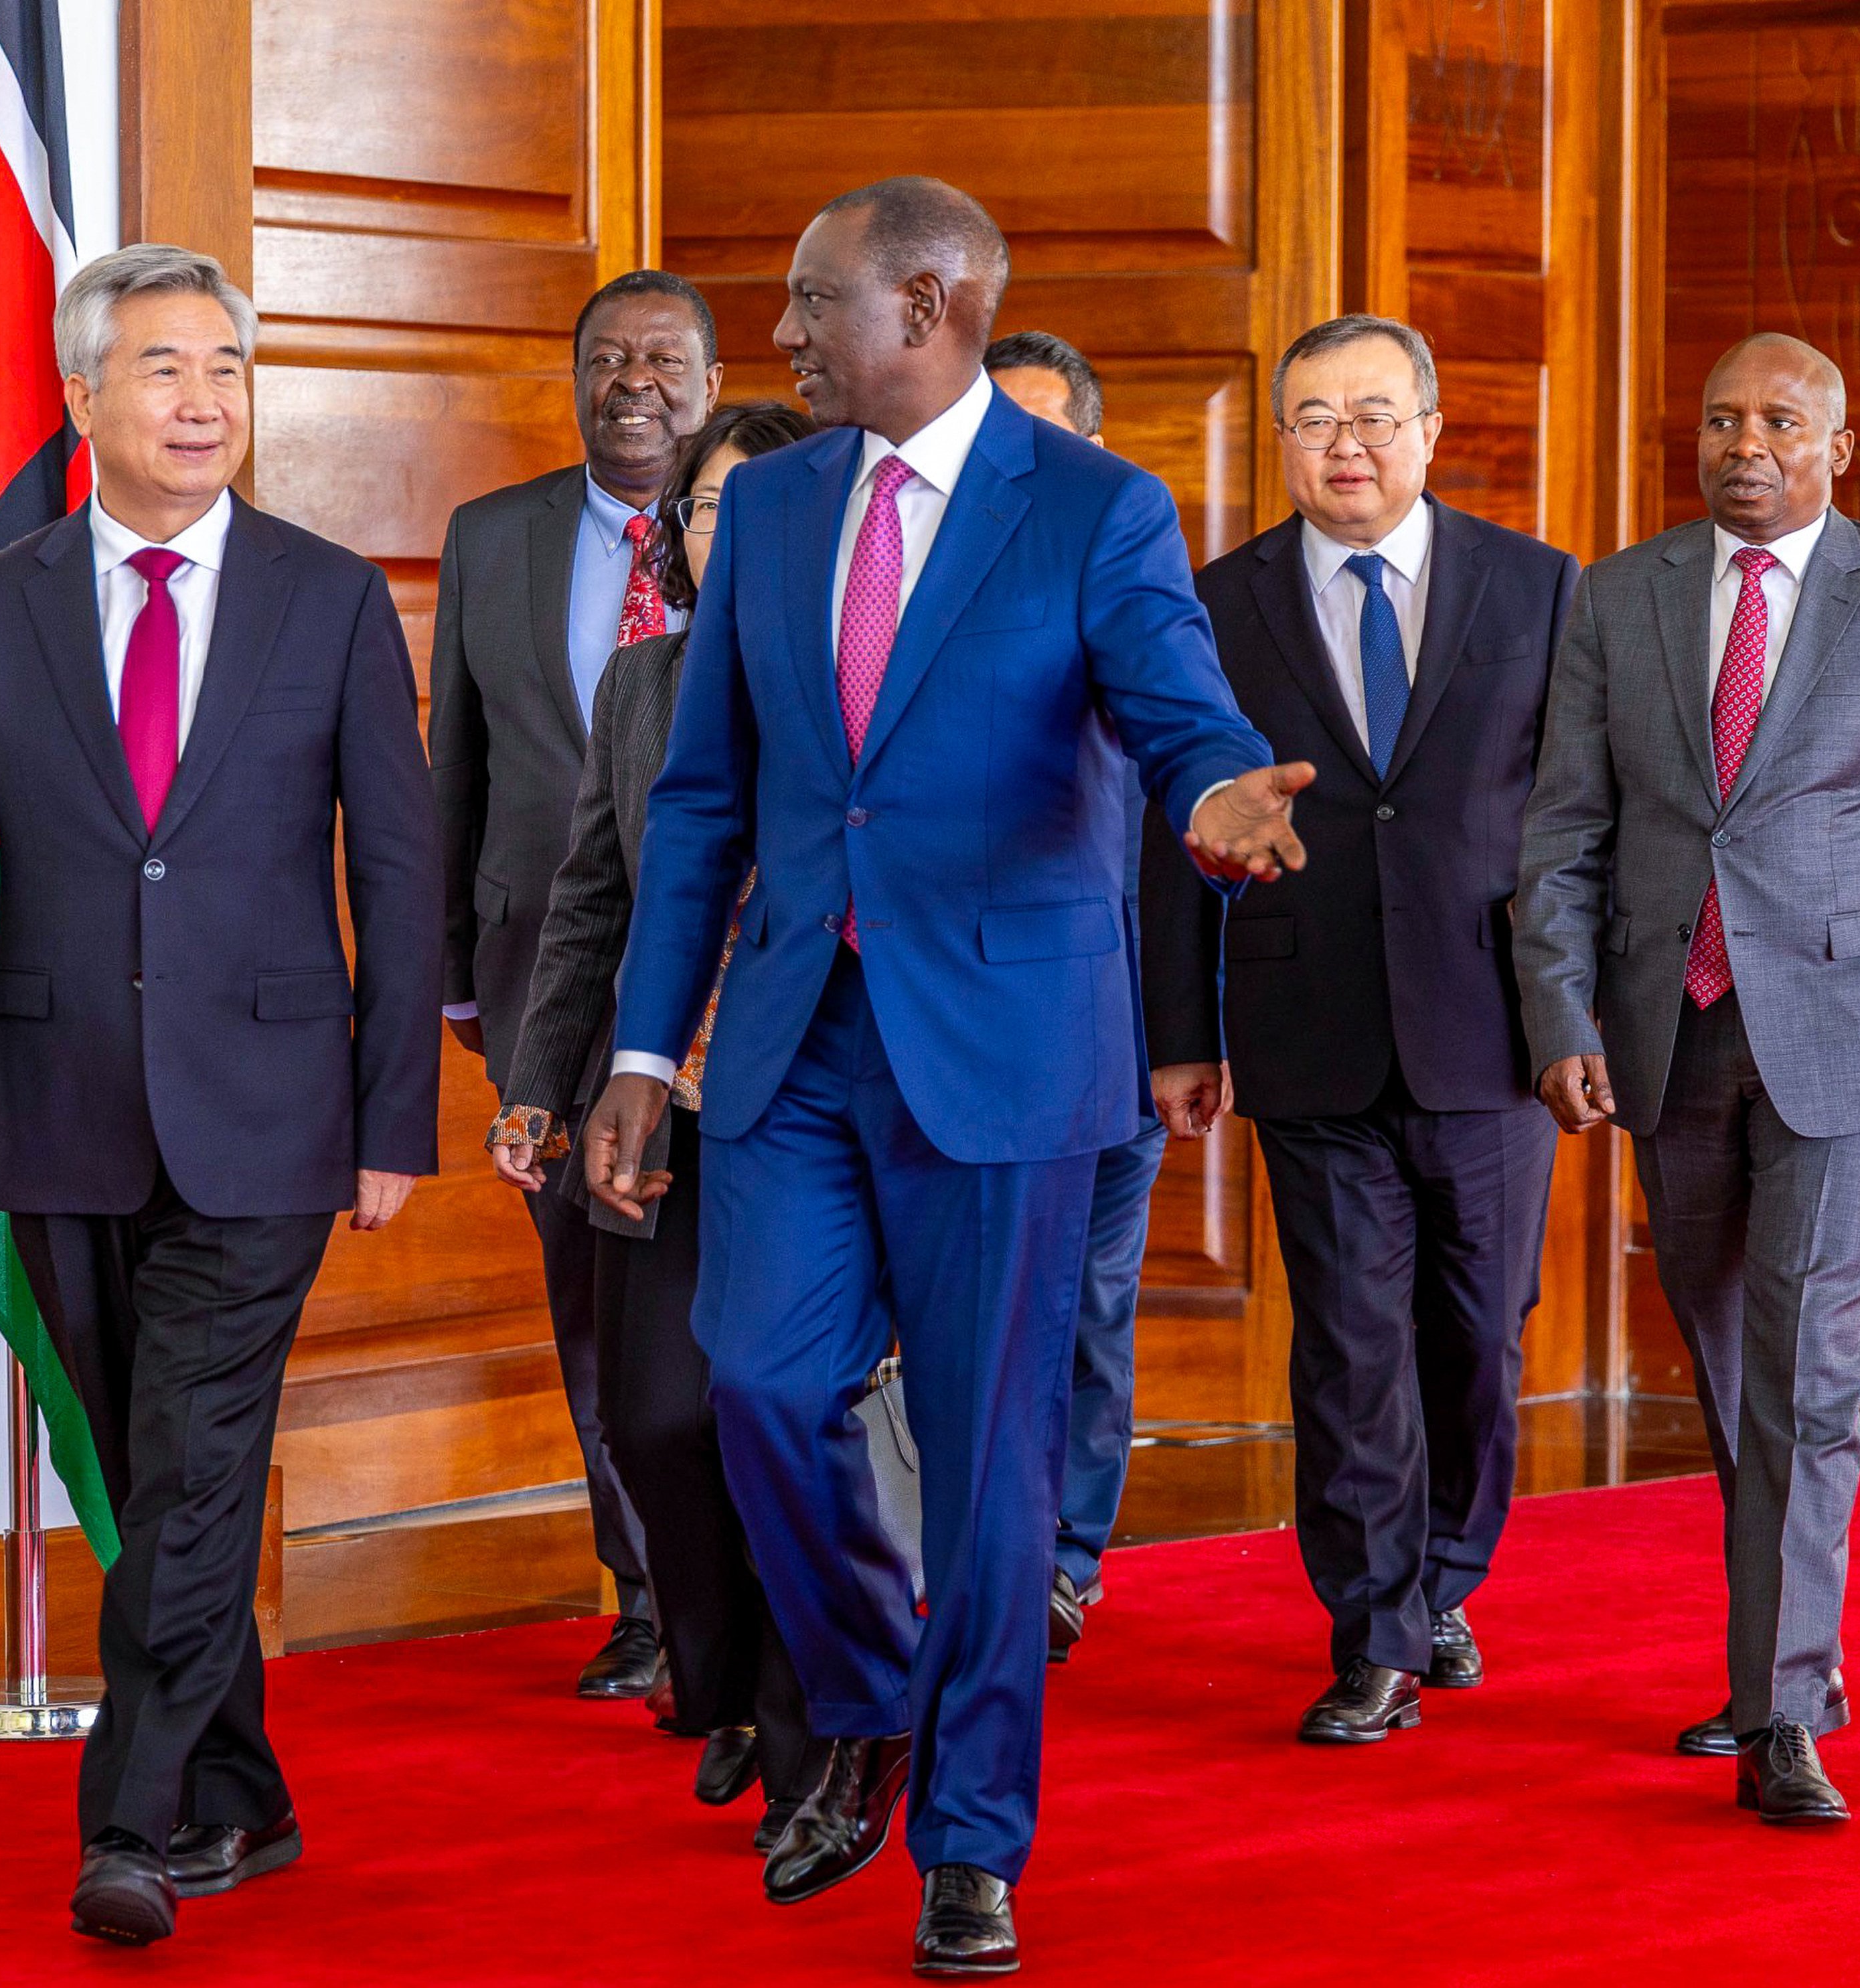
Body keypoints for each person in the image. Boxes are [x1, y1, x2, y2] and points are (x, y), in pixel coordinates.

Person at [585, 177, 1310, 1975]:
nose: (780, 337)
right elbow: (699, 805)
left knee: (990, 1466)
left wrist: (1219, 799)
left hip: (1001, 1051)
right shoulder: (770, 518)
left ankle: (973, 1839)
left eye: (811, 300)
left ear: (924, 300)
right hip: (790, 1045)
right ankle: (862, 1700)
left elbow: (1175, 705)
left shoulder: (1094, 509)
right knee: (753, 1382)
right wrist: (636, 1046)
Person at [0, 244, 440, 1942]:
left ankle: (129, 1821)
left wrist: (390, 1116)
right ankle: (247, 1799)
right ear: (82, 398)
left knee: (191, 1462)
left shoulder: (329, 595)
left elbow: (398, 870)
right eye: (167, 370)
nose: (205, 403)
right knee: (147, 1473)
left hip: (273, 1116)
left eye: (229, 371)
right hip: (50, 1100)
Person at [1512, 332, 1860, 1825]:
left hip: (1852, 1042)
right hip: (1665, 1039)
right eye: (1720, 419)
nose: (1745, 442)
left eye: (1779, 420)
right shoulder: (1619, 596)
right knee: (1733, 1363)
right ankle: (1783, 1657)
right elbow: (1559, 835)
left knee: (1807, 1366)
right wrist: (1560, 1023)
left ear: (1835, 446)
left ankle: (1779, 1704)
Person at [1141, 316, 1578, 1745]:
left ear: (1433, 429)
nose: (1347, 444)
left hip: (1490, 1025)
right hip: (1303, 1017)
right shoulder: (1210, 605)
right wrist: (1177, 1031)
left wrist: (1579, 1014)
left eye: (1376, 415)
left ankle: (1446, 1574)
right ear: (1278, 439)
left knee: (1475, 1335)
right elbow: (1169, 828)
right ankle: (1374, 1629)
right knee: (1343, 1341)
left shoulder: (1537, 589)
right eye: (1316, 417)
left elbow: (1584, 822)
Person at [486, 398, 828, 1855]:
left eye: (761, 508)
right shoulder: (642, 682)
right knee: (652, 1415)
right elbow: (591, 901)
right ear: (676, 537)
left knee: (776, 1412)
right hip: (654, 1097)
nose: (728, 534)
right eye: (704, 511)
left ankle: (813, 1724)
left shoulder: (860, 683)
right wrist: (537, 1075)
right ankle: (728, 1679)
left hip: (819, 1104)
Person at [431, 269, 725, 1699]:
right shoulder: (492, 538)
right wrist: (449, 977)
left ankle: (747, 1581)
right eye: (607, 357)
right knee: (592, 1300)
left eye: (664, 359)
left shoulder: (779, 539)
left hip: (744, 990)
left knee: (723, 1289)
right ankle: (643, 1593)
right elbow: (456, 767)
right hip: (545, 979)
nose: (635, 381)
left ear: (713, 382)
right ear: (574, 379)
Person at [982, 330, 1167, 1661]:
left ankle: (1060, 1563)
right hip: (950, 1040)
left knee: (1088, 1310)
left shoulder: (1148, 605)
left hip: (1112, 1039)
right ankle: (964, 1544)